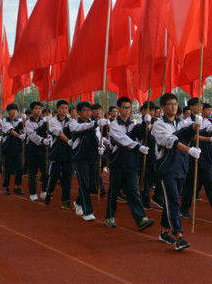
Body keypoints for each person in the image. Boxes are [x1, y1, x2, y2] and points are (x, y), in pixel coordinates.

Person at [151, 92, 201, 251]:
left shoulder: (179, 122)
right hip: (167, 168)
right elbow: (171, 141)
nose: (173, 107)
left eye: (175, 104)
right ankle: (178, 235)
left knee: (171, 201)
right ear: (163, 107)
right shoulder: (159, 125)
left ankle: (164, 231)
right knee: (173, 201)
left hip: (181, 166)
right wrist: (190, 150)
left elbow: (186, 134)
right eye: (169, 104)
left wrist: (194, 127)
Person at [104, 97, 154, 231]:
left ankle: (141, 219)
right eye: (124, 108)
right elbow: (123, 140)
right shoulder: (113, 125)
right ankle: (109, 216)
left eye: (128, 108)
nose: (126, 110)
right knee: (114, 192)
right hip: (117, 163)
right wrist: (138, 146)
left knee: (133, 191)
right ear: (118, 108)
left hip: (131, 163)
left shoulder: (134, 124)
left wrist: (146, 123)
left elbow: (142, 135)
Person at [180, 101, 212, 221]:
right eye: (197, 106)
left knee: (210, 183)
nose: (199, 108)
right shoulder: (186, 122)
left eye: (201, 106)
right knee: (190, 185)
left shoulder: (205, 121)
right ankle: (184, 209)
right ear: (191, 107)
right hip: (191, 155)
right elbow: (192, 137)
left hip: (205, 156)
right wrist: (209, 139)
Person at [69, 101, 107, 221]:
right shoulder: (74, 124)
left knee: (93, 185)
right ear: (79, 113)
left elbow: (98, 137)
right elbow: (81, 129)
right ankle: (88, 211)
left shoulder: (93, 124)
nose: (87, 113)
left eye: (88, 110)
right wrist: (95, 123)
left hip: (93, 157)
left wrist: (102, 147)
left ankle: (79, 202)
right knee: (84, 184)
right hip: (81, 158)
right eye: (84, 110)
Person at [45, 100, 74, 209]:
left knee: (67, 177)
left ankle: (66, 200)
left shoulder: (71, 120)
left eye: (66, 108)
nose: (64, 110)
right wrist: (68, 141)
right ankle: (49, 191)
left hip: (68, 153)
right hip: (56, 151)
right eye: (61, 108)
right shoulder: (52, 121)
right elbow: (59, 132)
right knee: (54, 175)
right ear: (57, 109)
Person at [24, 102, 49, 202]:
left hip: (43, 150)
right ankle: (33, 193)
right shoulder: (28, 122)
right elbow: (32, 135)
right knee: (32, 173)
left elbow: (49, 132)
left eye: (40, 108)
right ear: (32, 110)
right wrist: (42, 140)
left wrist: (48, 138)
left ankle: (44, 190)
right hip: (32, 150)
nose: (38, 110)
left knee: (45, 172)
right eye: (36, 108)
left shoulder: (45, 120)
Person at [1, 104, 25, 196]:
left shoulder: (19, 121)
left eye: (15, 110)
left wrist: (24, 121)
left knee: (19, 168)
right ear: (8, 112)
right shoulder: (4, 121)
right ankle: (6, 187)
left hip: (18, 148)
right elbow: (11, 130)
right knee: (7, 169)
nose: (14, 112)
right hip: (7, 148)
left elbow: (24, 130)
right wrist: (19, 135)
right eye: (11, 110)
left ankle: (17, 186)